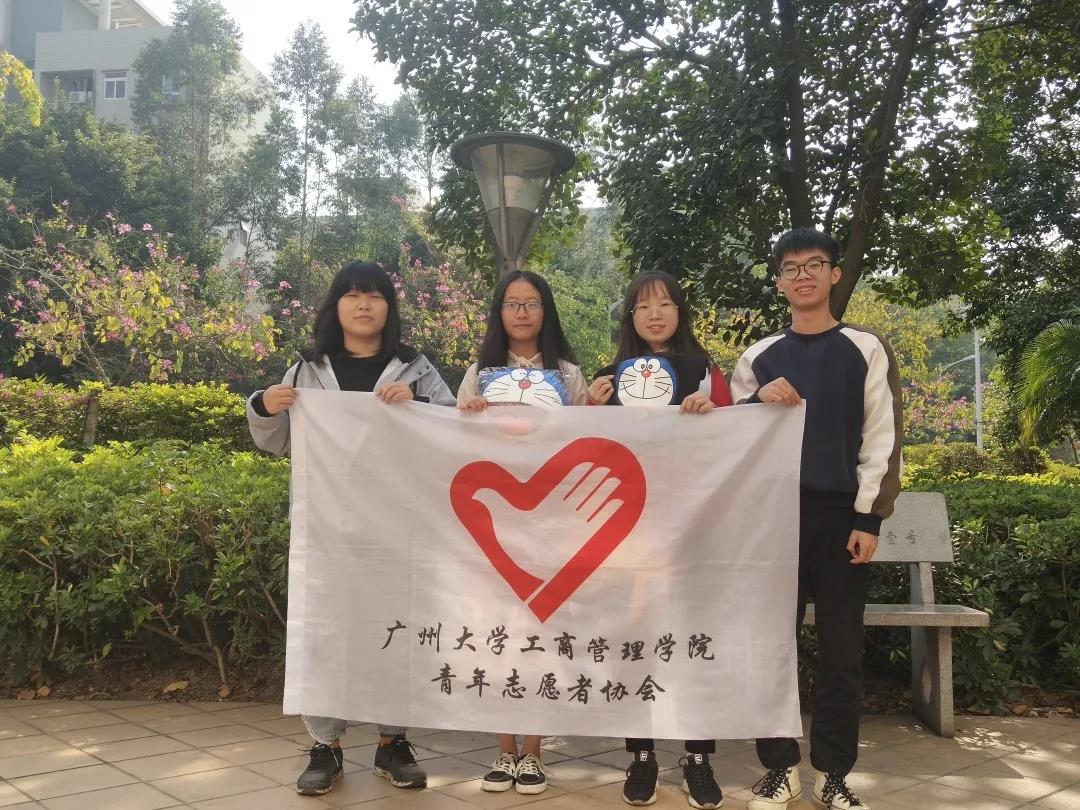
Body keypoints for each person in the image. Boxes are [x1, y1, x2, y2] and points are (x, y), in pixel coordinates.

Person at [247, 261, 455, 796]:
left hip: (399, 529)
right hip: (328, 531)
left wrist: (420, 407)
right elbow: (277, 441)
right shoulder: (307, 369)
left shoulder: (415, 368)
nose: (364, 305)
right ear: (335, 305)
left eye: (375, 295)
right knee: (327, 631)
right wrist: (264, 406)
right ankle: (325, 745)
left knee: (397, 628)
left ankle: (393, 742)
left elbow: (453, 433)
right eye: (352, 294)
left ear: (390, 306)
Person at [731, 228, 902, 810]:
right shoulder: (759, 358)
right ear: (778, 281)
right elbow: (728, 436)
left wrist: (869, 519)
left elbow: (882, 437)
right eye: (790, 267)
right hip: (771, 522)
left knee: (841, 653)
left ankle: (834, 774)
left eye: (814, 264)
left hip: (841, 520)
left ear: (834, 274)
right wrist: (755, 401)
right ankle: (779, 769)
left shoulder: (865, 348)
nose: (802, 275)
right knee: (770, 647)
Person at [588, 270, 730, 810]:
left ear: (679, 312)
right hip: (628, 534)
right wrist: (590, 408)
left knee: (693, 640)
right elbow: (582, 449)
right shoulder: (607, 380)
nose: (654, 314)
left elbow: (738, 438)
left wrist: (710, 415)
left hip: (693, 529)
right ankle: (641, 753)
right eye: (643, 306)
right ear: (630, 316)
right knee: (636, 641)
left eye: (666, 304)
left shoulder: (705, 373)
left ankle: (698, 756)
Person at [458, 269, 586, 795]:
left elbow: (587, 440)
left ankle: (533, 751)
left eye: (532, 303)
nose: (522, 312)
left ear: (545, 311)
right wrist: (466, 413)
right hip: (493, 522)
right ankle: (503, 749)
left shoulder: (569, 376)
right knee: (497, 634)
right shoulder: (478, 374)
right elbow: (451, 443)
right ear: (500, 312)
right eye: (512, 303)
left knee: (542, 633)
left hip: (550, 520)